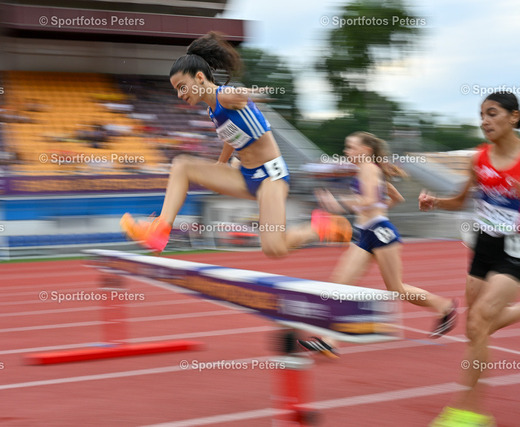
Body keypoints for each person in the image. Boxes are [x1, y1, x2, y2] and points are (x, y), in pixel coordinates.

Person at [120, 32, 351, 256]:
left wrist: (253, 94)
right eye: (176, 90)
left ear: (199, 78)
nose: (180, 94)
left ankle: (321, 227)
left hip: (270, 177)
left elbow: (241, 96)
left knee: (274, 248)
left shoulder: (224, 95)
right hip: (245, 175)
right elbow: (230, 137)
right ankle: (160, 230)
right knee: (182, 165)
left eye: (182, 86)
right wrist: (221, 163)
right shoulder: (212, 110)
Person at [297, 132, 458, 358]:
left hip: (381, 233)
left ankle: (444, 307)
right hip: (365, 234)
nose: (346, 151)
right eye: (347, 147)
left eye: (351, 147)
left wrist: (340, 202)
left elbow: (370, 200)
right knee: (339, 285)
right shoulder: (370, 171)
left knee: (396, 288)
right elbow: (395, 198)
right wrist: (376, 207)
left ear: (366, 150)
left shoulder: (369, 169)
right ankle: (328, 341)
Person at [424, 91, 520, 427]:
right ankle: (473, 412)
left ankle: (469, 412)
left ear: (514, 116)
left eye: (492, 114)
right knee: (475, 330)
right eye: (481, 115)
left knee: (479, 322)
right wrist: (435, 202)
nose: (484, 121)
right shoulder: (479, 158)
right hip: (484, 246)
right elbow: (460, 200)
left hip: (515, 251)